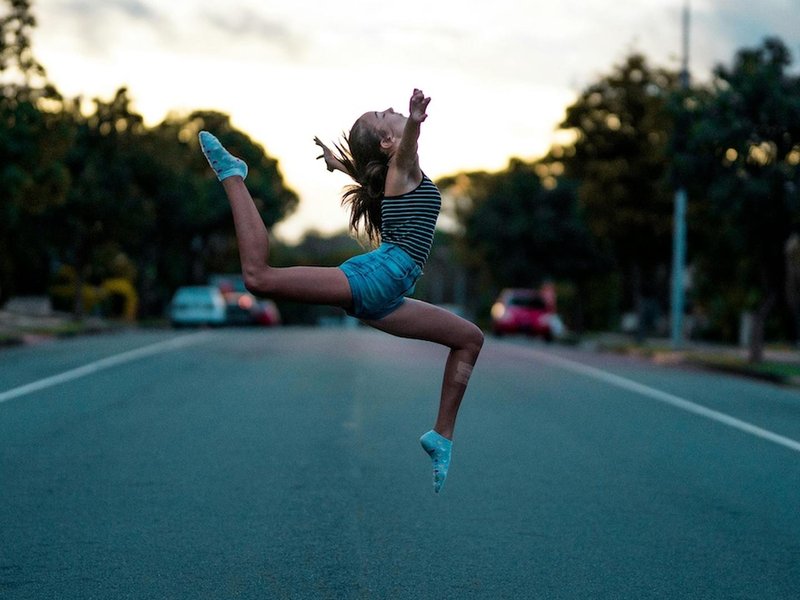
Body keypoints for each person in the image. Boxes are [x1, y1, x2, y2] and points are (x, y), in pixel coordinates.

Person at [198, 88, 483, 493]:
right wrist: (416, 121)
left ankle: (442, 437)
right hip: (378, 278)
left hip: (389, 296)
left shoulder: (394, 177)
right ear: (389, 142)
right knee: (258, 278)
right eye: (387, 114)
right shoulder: (403, 165)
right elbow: (405, 151)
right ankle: (233, 176)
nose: (393, 110)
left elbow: (378, 175)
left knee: (470, 339)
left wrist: (342, 164)